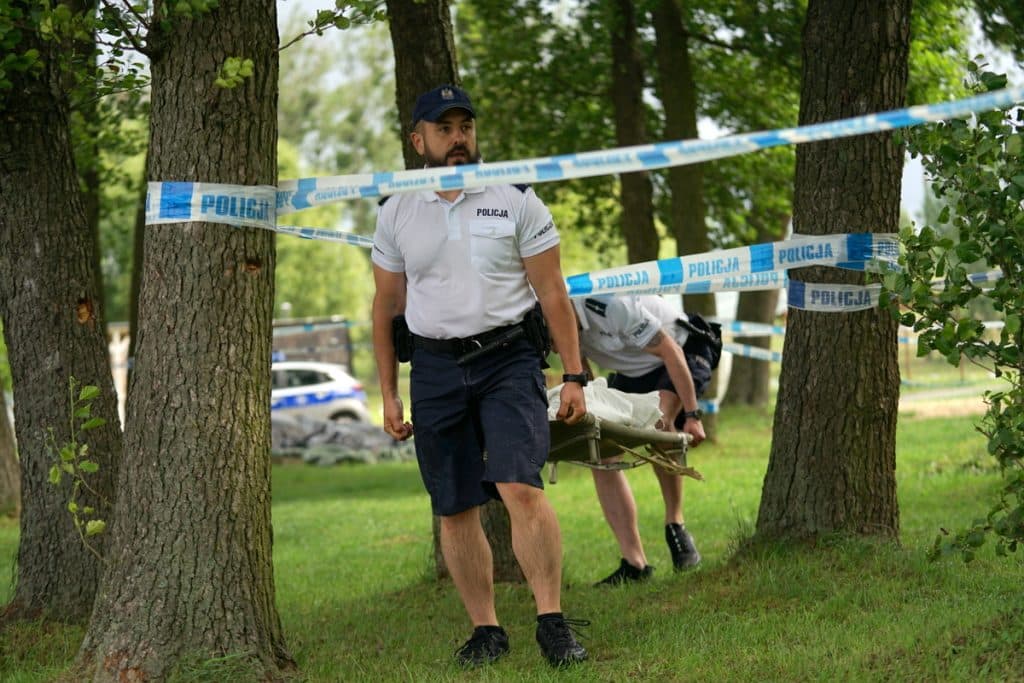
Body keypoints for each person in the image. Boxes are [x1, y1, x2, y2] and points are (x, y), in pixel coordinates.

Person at [371, 84, 590, 668]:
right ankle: (486, 630)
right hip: (435, 368)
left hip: (509, 359)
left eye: (465, 126)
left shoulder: (517, 197)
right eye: (444, 129)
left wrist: (574, 375)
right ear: (418, 140)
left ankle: (552, 621)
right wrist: (389, 393)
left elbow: (552, 292)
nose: (458, 137)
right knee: (454, 505)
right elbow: (386, 307)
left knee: (521, 485)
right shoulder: (395, 210)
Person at [571, 293, 716, 585]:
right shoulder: (558, 326)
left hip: (682, 351)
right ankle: (634, 563)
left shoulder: (610, 305)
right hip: (632, 371)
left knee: (658, 425)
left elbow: (671, 351)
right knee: (598, 450)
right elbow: (581, 374)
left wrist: (692, 414)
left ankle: (675, 525)